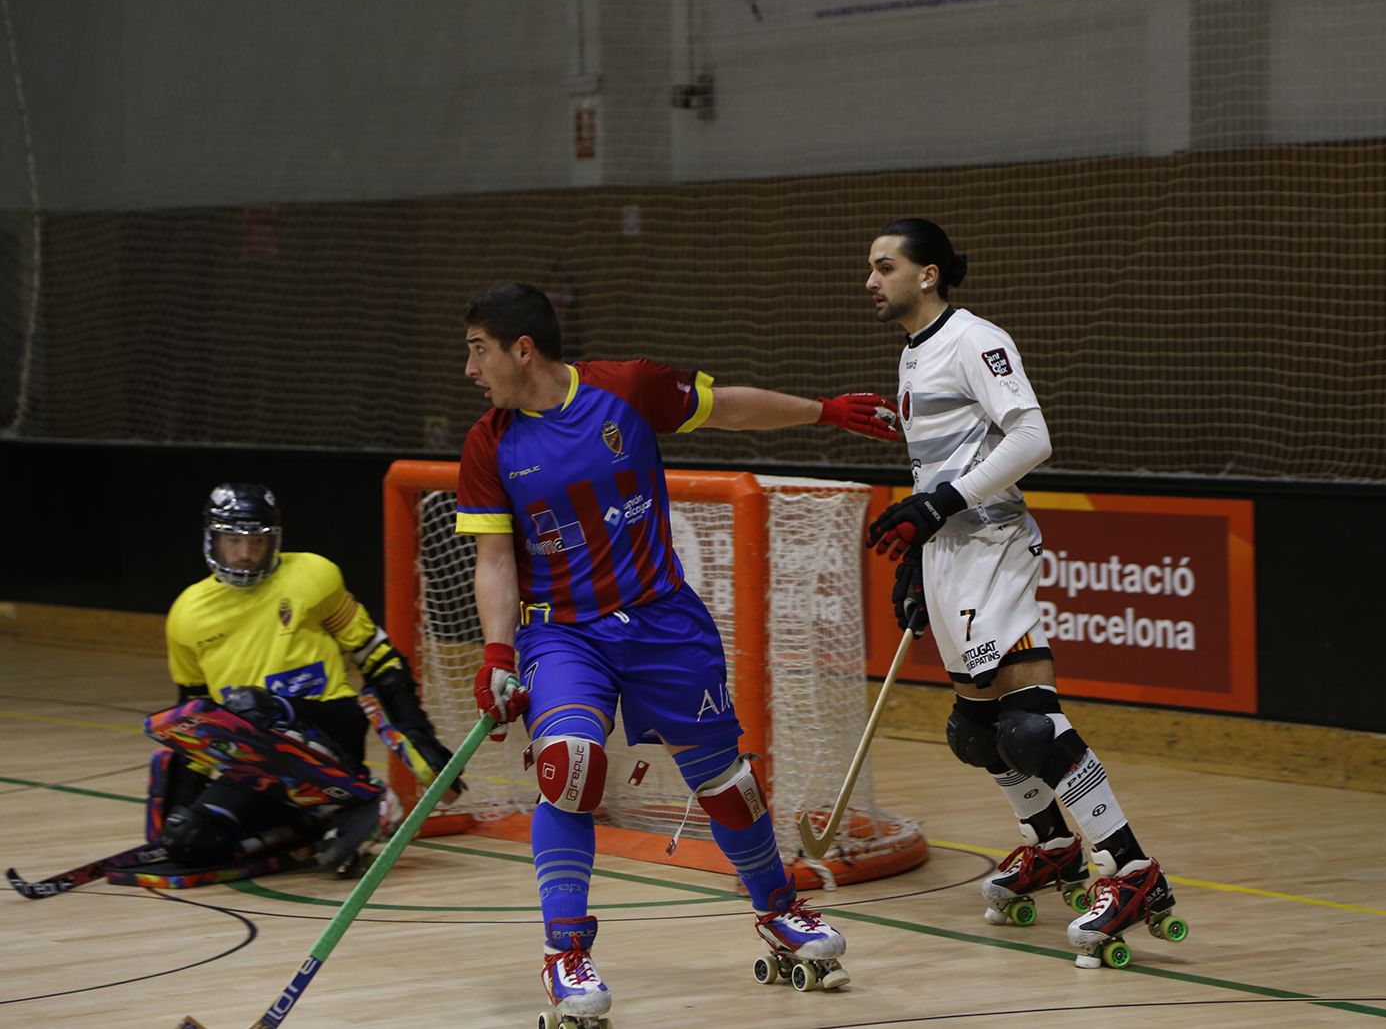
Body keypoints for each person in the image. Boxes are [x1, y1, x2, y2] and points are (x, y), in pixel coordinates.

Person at [458, 282, 898, 1021]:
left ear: (521, 349)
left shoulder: (626, 390)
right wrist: (497, 654)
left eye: (477, 350)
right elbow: (495, 562)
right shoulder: (488, 443)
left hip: (663, 619)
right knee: (571, 768)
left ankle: (779, 911)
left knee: (728, 782)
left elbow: (728, 406)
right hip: (563, 631)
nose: (470, 369)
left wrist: (825, 411)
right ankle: (566, 955)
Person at [863, 218, 1180, 969]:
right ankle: (1053, 848)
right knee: (978, 733)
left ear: (928, 273)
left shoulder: (975, 338)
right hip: (950, 554)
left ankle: (1133, 871)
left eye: (883, 267)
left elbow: (1032, 438)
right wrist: (917, 553)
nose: (870, 281)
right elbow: (933, 472)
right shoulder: (912, 356)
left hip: (992, 545)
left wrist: (941, 507)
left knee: (1031, 728)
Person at [144, 482, 461, 882]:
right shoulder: (186, 614)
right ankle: (318, 821)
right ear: (211, 540)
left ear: (275, 541)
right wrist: (183, 806)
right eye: (231, 542)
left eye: (254, 543)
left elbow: (377, 657)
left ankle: (356, 796)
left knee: (252, 707)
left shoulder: (314, 576)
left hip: (328, 726)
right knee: (192, 840)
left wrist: (420, 738)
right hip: (254, 759)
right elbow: (193, 715)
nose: (243, 554)